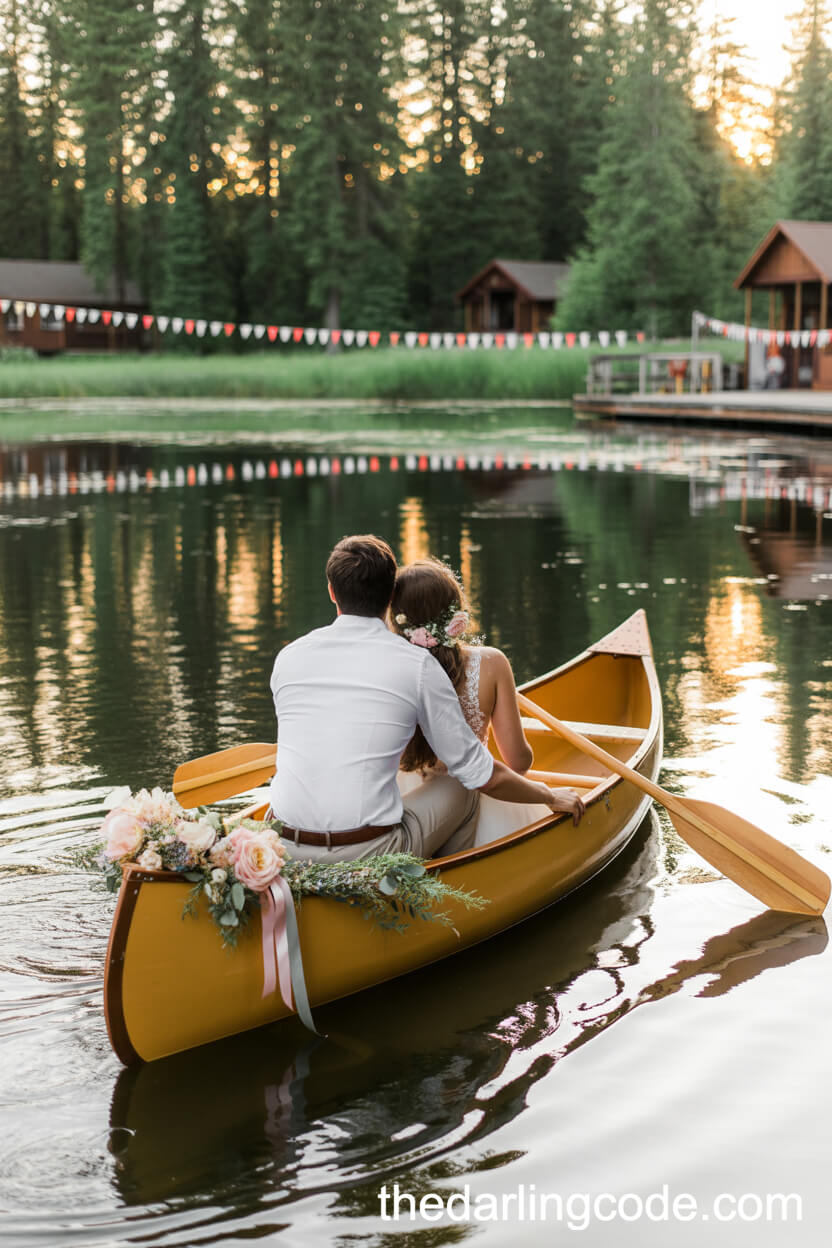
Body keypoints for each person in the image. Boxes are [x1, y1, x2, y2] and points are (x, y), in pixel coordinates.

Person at [268, 535, 584, 863]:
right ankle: (451, 879)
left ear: (332, 591)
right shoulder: (415, 665)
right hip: (370, 852)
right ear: (390, 596)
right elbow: (484, 774)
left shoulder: (289, 656)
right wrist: (550, 795)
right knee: (464, 783)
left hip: (281, 844)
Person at [389, 557, 534, 776]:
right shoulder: (492, 663)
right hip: (469, 792)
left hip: (399, 795)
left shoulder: (387, 669)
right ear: (456, 612)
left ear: (396, 619)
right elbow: (518, 762)